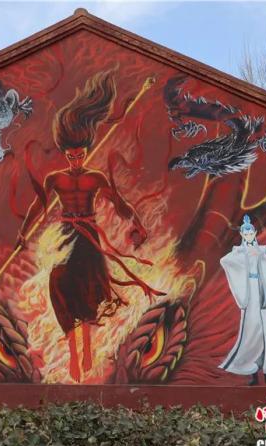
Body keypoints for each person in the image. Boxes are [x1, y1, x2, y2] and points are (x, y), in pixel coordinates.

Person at [17, 69, 165, 382]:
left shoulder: (94, 178)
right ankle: (73, 353)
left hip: (89, 240)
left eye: (80, 155)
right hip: (65, 238)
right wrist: (22, 233)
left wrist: (136, 224)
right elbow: (38, 206)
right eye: (71, 156)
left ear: (85, 152)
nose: (76, 160)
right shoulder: (55, 180)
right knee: (61, 289)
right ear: (65, 153)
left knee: (86, 298)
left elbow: (118, 202)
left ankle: (86, 354)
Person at [219, 215, 266, 386]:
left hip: (263, 296)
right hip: (249, 296)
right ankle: (253, 374)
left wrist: (263, 257)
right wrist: (242, 259)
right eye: (246, 233)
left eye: (251, 233)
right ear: (242, 234)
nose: (248, 235)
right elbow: (225, 260)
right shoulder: (238, 251)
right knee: (251, 335)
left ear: (255, 233)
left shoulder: (263, 250)